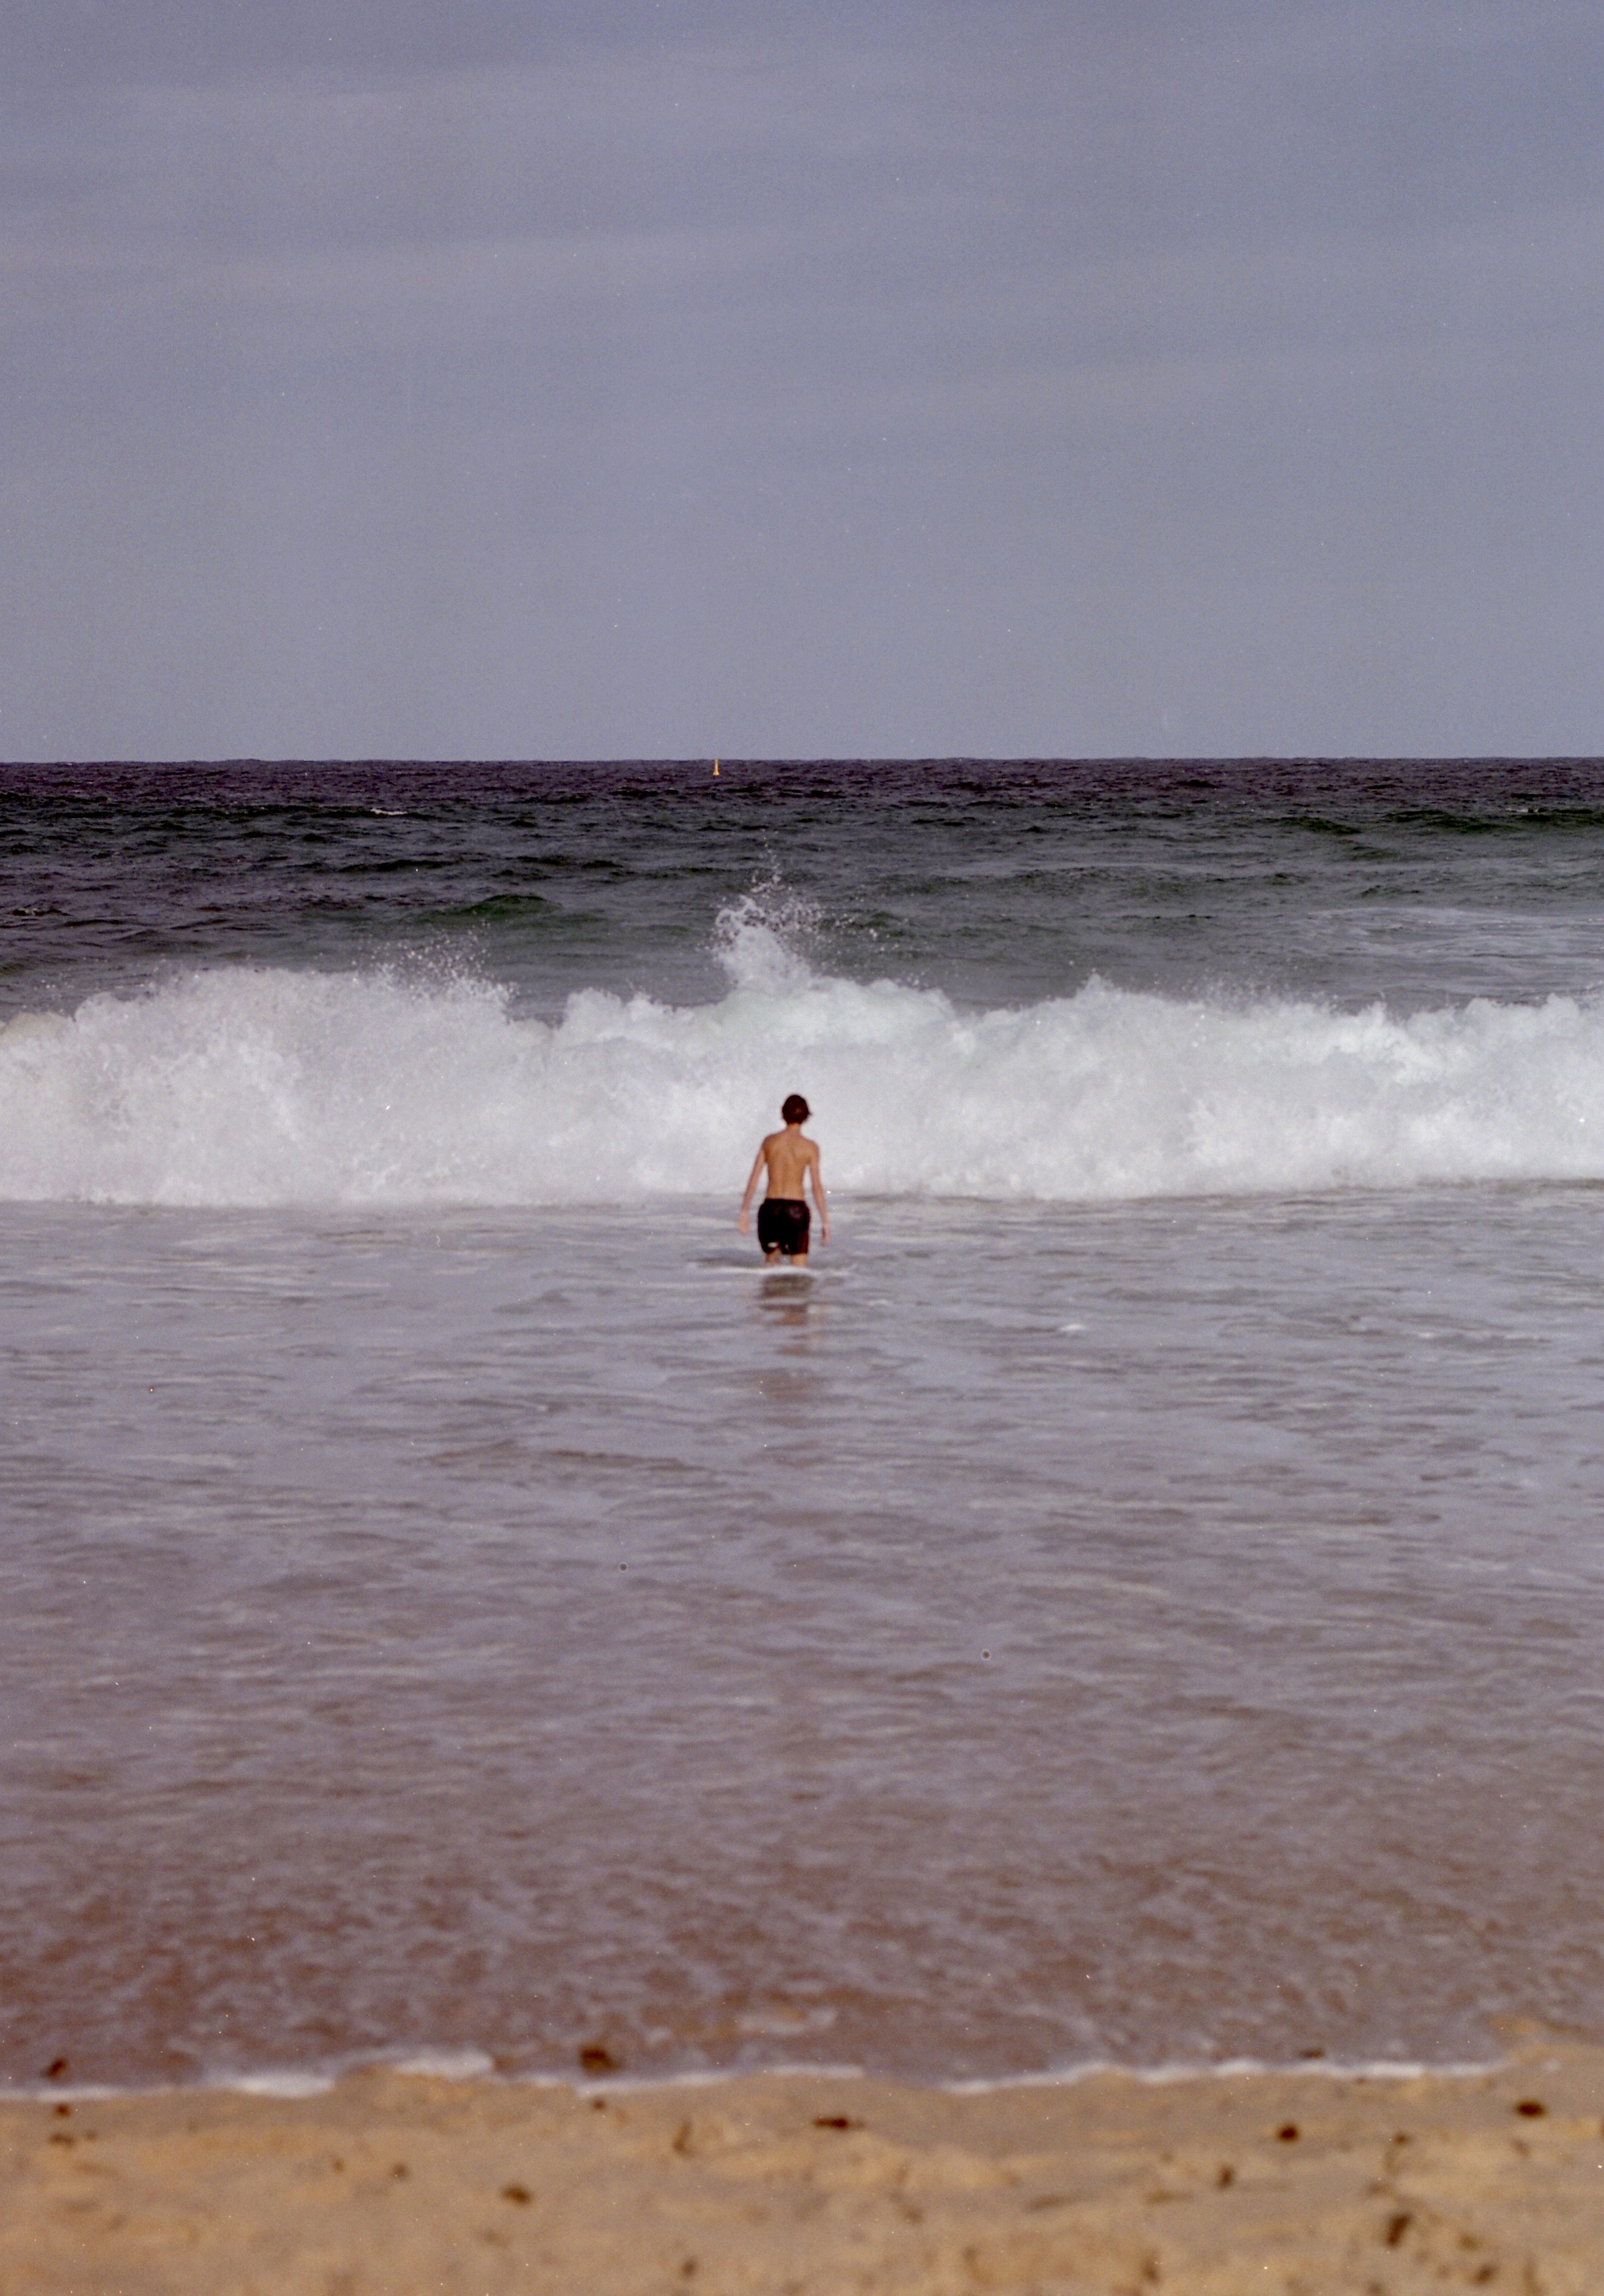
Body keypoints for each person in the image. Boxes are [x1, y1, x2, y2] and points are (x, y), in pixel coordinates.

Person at [737, 1093, 830, 1263]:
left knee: (771, 1269)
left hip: (771, 1210)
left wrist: (744, 1211)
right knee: (799, 1273)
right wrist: (825, 1222)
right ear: (806, 1117)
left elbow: (754, 1177)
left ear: (783, 1114)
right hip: (796, 1210)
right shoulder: (810, 1147)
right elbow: (817, 1187)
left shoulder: (770, 1142)